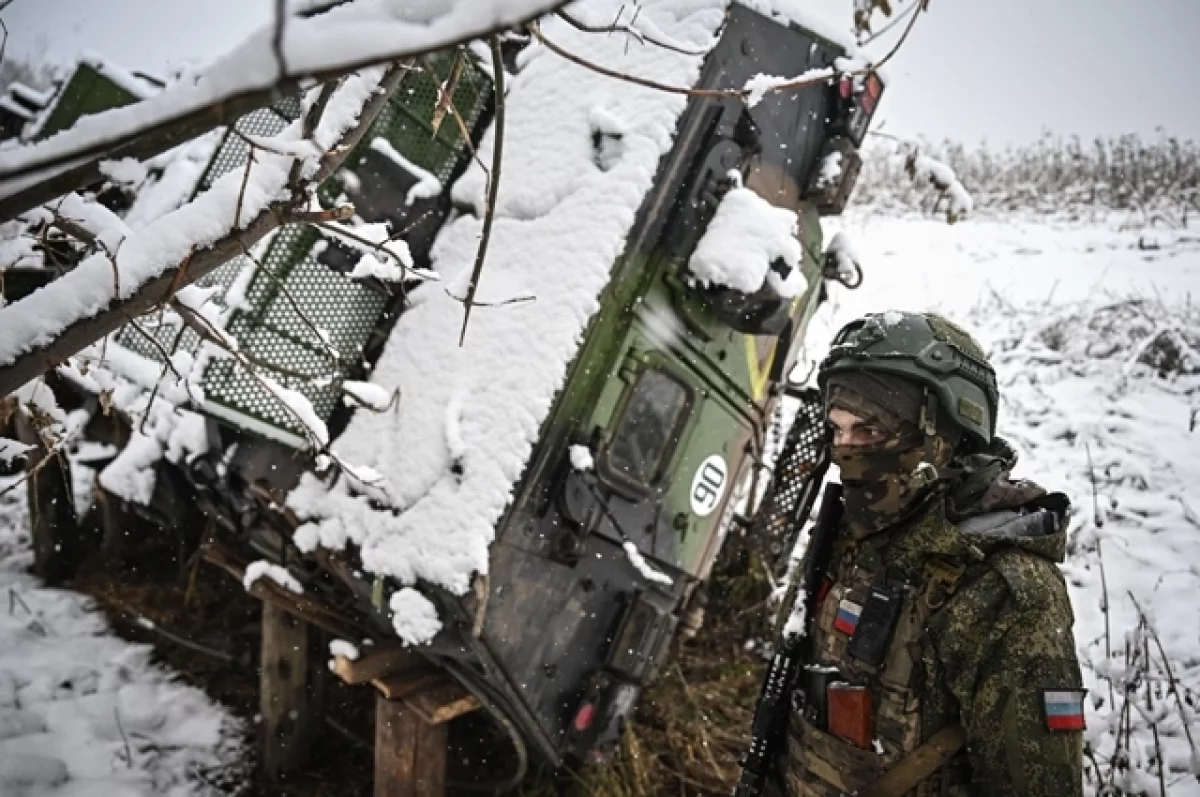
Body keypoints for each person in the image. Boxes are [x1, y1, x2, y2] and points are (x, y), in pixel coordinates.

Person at [778, 311, 1084, 796]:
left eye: (870, 431)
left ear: (945, 434)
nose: (847, 449)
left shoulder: (1002, 590)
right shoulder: (856, 538)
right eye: (837, 430)